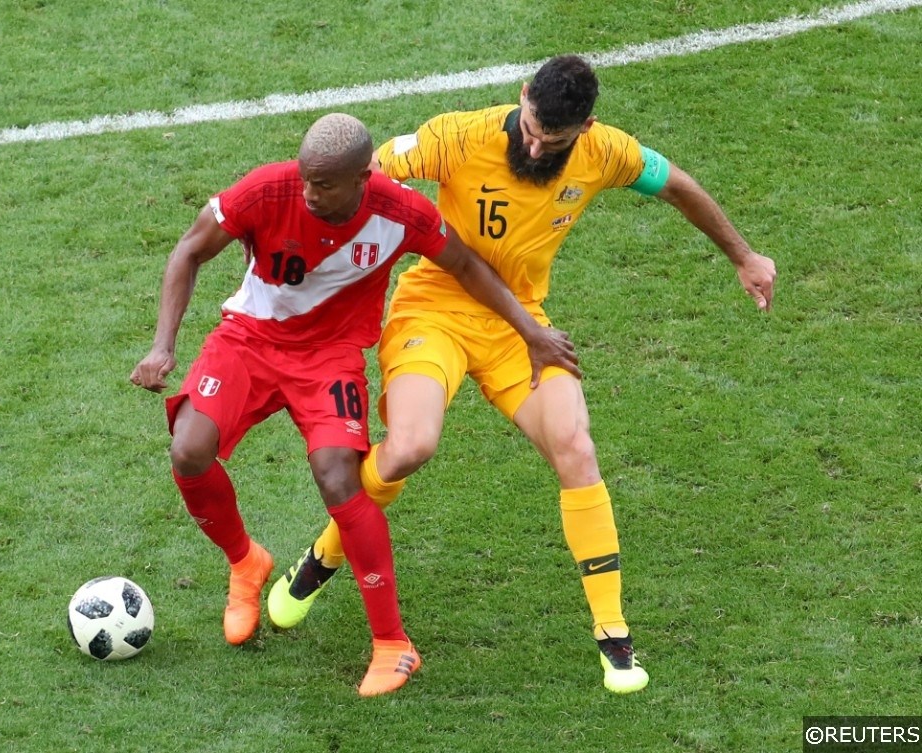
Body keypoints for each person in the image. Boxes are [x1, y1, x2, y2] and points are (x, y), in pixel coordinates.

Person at [267, 56, 778, 695]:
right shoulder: (458, 135)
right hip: (434, 310)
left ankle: (613, 637)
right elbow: (366, 171)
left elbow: (677, 185)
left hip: (522, 328)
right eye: (531, 127)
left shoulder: (609, 153)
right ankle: (322, 557)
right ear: (522, 98)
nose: (534, 145)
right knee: (408, 448)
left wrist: (745, 255)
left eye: (552, 140)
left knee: (576, 446)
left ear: (584, 128)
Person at [130, 113, 578, 697]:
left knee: (339, 475)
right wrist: (164, 345)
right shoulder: (268, 189)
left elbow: (467, 265)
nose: (310, 193)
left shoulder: (402, 214)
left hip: (330, 357)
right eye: (307, 179)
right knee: (189, 450)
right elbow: (190, 249)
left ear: (364, 175)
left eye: (325, 185)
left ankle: (393, 644)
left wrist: (530, 332)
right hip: (249, 339)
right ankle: (245, 562)